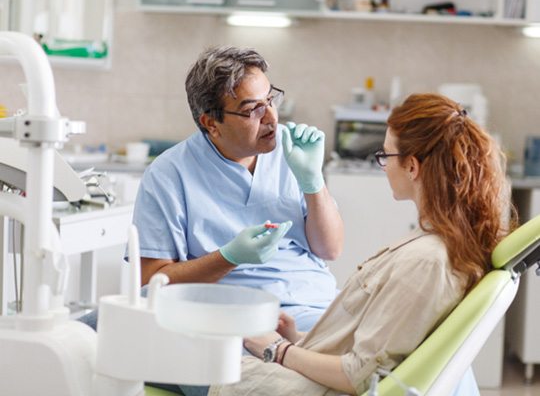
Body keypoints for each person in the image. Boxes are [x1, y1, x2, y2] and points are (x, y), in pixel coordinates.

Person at [181, 93, 513, 396]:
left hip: (316, 388)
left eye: (385, 155)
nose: (383, 165)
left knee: (175, 362)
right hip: (318, 367)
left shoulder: (427, 261)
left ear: (412, 166)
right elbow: (379, 344)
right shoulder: (437, 245)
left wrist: (277, 349)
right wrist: (297, 340)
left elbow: (358, 374)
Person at [132, 45, 344, 333]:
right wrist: (229, 257)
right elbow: (152, 283)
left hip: (316, 307)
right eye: (253, 109)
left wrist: (313, 183)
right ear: (211, 123)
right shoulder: (169, 175)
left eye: (270, 100)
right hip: (234, 319)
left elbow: (330, 249)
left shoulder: (291, 150)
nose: (271, 117)